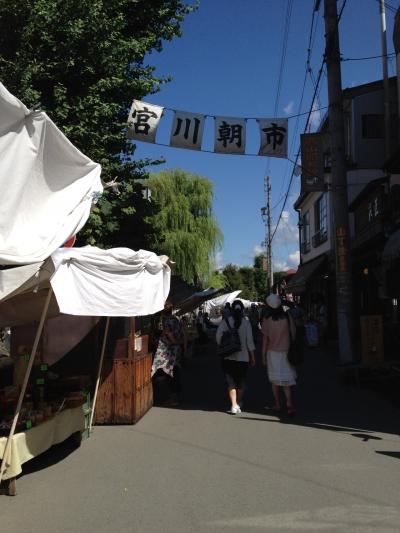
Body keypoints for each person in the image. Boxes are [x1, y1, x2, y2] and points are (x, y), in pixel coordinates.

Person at [216, 299, 256, 414]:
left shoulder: (226, 322)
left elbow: (218, 336)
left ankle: (233, 405)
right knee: (241, 382)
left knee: (231, 382)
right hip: (243, 358)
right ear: (242, 310)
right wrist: (252, 357)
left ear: (232, 310)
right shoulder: (246, 323)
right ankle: (238, 401)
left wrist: (223, 345)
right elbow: (250, 342)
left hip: (228, 356)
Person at [261, 293, 297, 416]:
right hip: (286, 351)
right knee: (286, 380)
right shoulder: (287, 317)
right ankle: (289, 403)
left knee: (275, 380)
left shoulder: (267, 320)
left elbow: (265, 340)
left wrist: (263, 356)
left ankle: (277, 404)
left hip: (272, 353)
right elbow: (294, 333)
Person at [151, 301, 187, 406]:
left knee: (169, 374)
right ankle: (178, 396)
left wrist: (174, 342)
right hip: (177, 350)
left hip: (169, 351)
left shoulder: (167, 322)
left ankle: (173, 398)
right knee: (176, 372)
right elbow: (185, 334)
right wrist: (183, 347)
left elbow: (169, 334)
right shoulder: (177, 319)